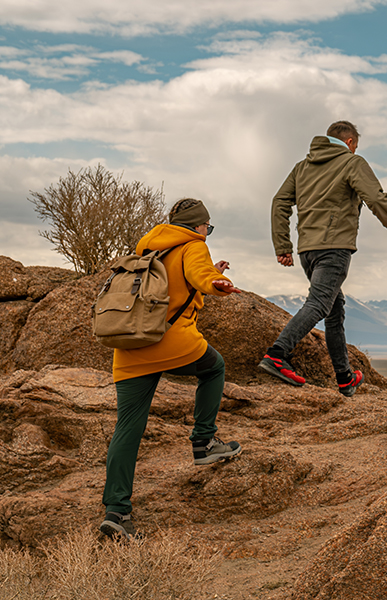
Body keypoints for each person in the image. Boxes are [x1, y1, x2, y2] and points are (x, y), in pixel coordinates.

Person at [101, 198, 243, 540]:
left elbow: (182, 280)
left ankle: (116, 512)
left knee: (128, 427)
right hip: (168, 342)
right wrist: (215, 283)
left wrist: (211, 277)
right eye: (207, 227)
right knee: (214, 368)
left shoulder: (147, 249)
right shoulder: (194, 246)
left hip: (129, 347)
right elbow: (198, 271)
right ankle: (204, 442)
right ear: (198, 226)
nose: (206, 233)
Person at [259, 120, 387, 394]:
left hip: (307, 250)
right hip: (335, 248)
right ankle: (277, 354)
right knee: (318, 304)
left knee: (334, 308)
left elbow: (279, 201)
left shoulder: (302, 167)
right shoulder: (352, 162)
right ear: (350, 142)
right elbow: (375, 198)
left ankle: (344, 377)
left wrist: (283, 244)